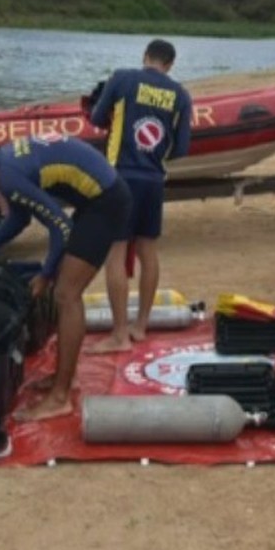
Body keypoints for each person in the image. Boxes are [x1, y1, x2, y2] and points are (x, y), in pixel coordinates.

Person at [0, 136, 132, 422]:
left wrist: (45, 275)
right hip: (97, 198)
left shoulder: (9, 177)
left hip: (107, 202)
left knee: (66, 294)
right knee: (63, 286)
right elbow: (20, 218)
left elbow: (61, 227)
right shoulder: (6, 162)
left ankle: (60, 398)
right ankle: (65, 378)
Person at [85, 38, 192, 353]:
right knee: (148, 249)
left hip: (120, 177)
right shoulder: (181, 95)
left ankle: (119, 335)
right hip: (154, 179)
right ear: (170, 64)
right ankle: (140, 326)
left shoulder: (123, 78)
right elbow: (182, 148)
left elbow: (95, 118)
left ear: (145, 57)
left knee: (116, 253)